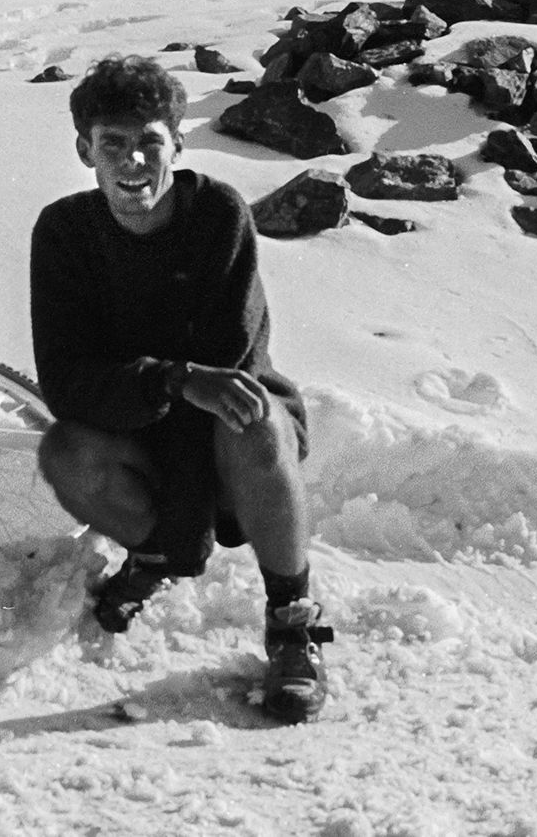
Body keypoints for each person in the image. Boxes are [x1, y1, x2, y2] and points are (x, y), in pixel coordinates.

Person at [28, 54, 330, 724]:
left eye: (149, 143)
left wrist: (191, 526)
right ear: (86, 150)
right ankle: (157, 549)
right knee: (65, 452)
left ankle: (292, 620)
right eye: (114, 144)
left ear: (177, 144)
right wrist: (171, 379)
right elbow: (68, 382)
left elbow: (229, 370)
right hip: (140, 425)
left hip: (229, 440)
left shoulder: (217, 214)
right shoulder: (64, 234)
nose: (133, 162)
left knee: (253, 419)